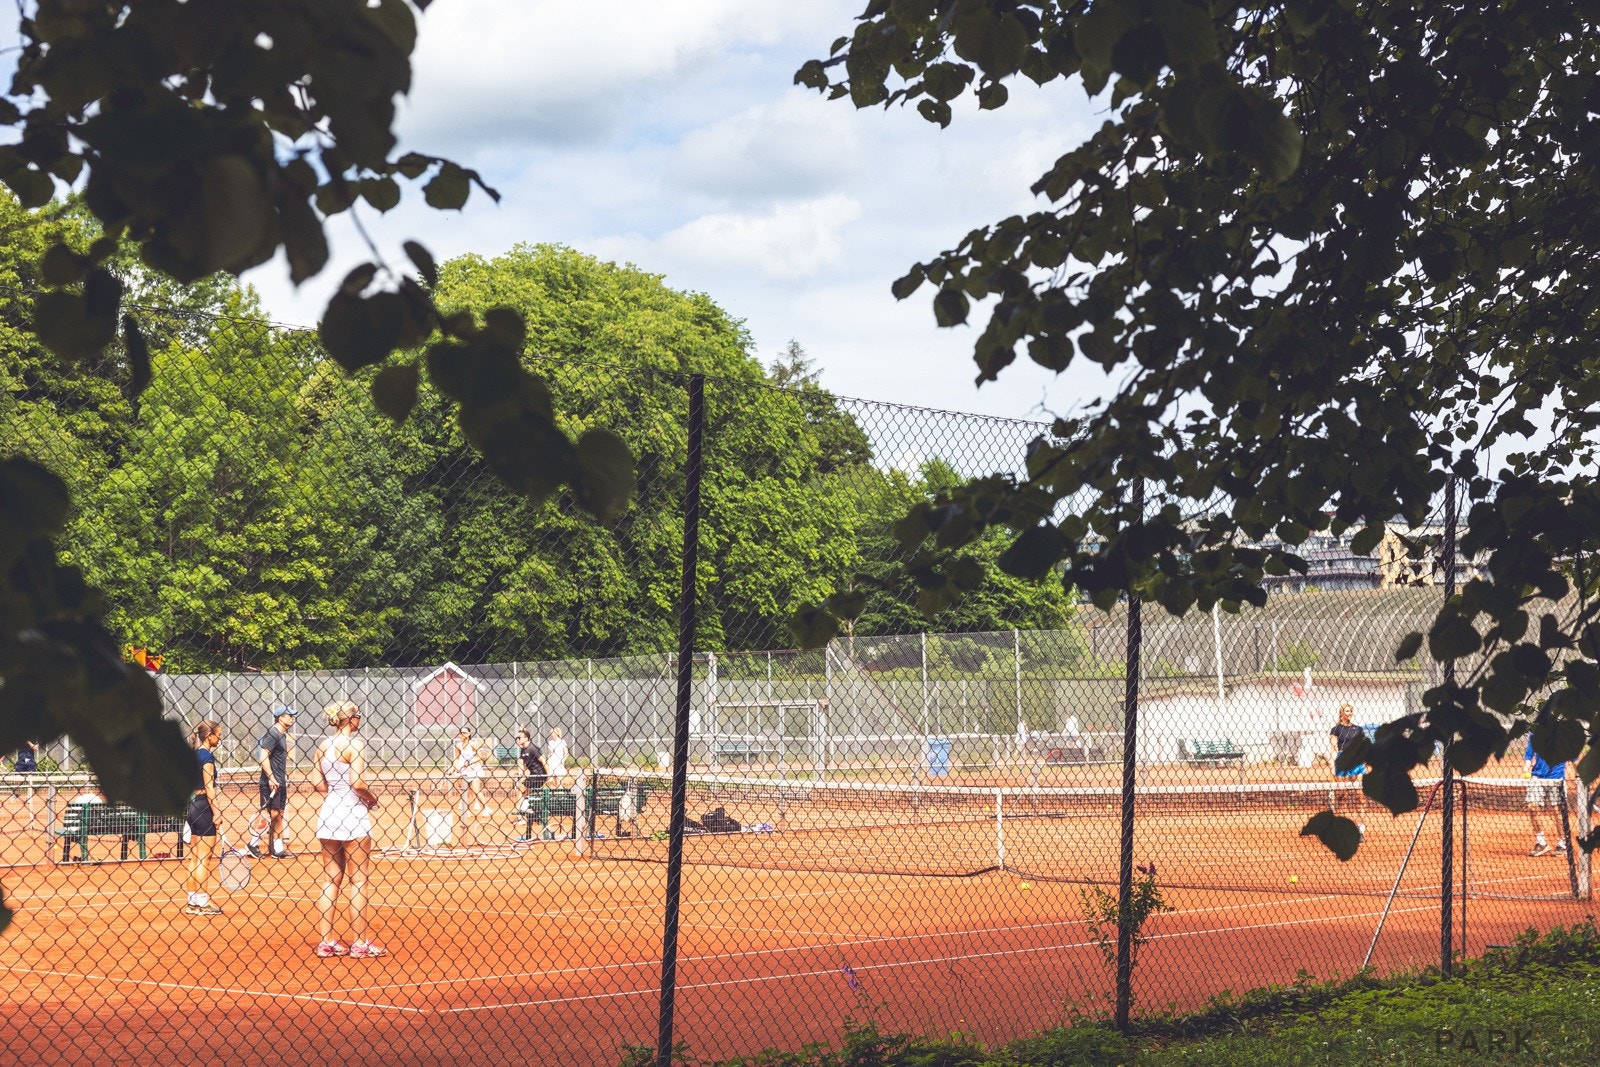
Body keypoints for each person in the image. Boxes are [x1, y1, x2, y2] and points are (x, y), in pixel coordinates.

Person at [312, 700, 384, 959]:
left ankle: (325, 942)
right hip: (352, 813)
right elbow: (358, 783)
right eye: (359, 716)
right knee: (359, 880)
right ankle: (360, 943)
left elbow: (317, 782)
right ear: (351, 719)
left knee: (331, 878)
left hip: (329, 812)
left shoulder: (323, 746)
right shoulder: (355, 745)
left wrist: (335, 793)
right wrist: (372, 799)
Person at [183, 720, 225, 917]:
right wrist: (216, 812)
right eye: (218, 734)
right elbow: (209, 788)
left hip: (192, 807)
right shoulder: (207, 757)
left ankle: (192, 902)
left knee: (194, 858)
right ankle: (202, 903)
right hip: (204, 808)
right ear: (209, 736)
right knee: (204, 859)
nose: (220, 737)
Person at [249, 705, 297, 859]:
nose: (291, 717)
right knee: (270, 814)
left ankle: (277, 848)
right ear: (280, 717)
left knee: (279, 814)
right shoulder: (273, 733)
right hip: (270, 781)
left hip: (280, 781)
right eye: (288, 715)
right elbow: (263, 755)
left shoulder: (282, 735)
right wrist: (271, 777)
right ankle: (253, 843)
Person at [1328, 703, 1370, 843]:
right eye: (1347, 711)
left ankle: (1360, 830)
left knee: (1359, 795)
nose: (1350, 713)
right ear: (1341, 713)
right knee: (1343, 796)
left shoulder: (1358, 729)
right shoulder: (1336, 729)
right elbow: (1334, 748)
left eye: (1351, 710)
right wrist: (1333, 765)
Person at [1525, 732, 1570, 857]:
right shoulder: (1535, 734)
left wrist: (1579, 776)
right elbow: (1529, 755)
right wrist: (1526, 767)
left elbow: (1573, 756)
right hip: (1537, 776)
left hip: (1557, 777)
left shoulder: (1563, 732)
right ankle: (1541, 843)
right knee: (1532, 806)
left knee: (1557, 810)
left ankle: (1563, 843)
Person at [515, 729, 547, 842]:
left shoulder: (533, 748)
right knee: (522, 790)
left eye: (520, 737)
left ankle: (522, 812)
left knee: (523, 790)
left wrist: (550, 775)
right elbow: (521, 763)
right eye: (517, 738)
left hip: (540, 774)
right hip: (533, 774)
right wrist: (520, 772)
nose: (518, 739)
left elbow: (543, 761)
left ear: (526, 738)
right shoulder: (522, 750)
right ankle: (524, 813)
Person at [453, 726, 489, 820]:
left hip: (475, 771)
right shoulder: (458, 745)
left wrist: (469, 762)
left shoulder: (473, 744)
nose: (461, 735)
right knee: (464, 792)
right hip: (463, 772)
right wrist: (456, 767)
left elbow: (480, 757)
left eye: (464, 733)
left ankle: (486, 808)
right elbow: (456, 758)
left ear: (469, 734)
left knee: (476, 790)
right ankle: (466, 811)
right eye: (460, 733)